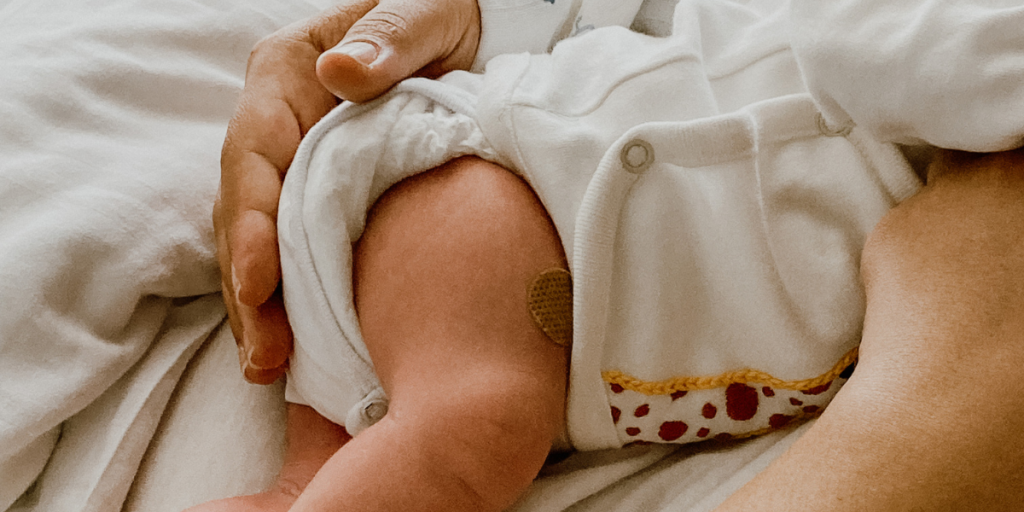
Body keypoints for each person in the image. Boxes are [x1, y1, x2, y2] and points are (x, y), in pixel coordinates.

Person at [208, 1, 1024, 511]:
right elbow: (864, 43)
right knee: (472, 428)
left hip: (526, 268)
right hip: (505, 184)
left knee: (371, 454)